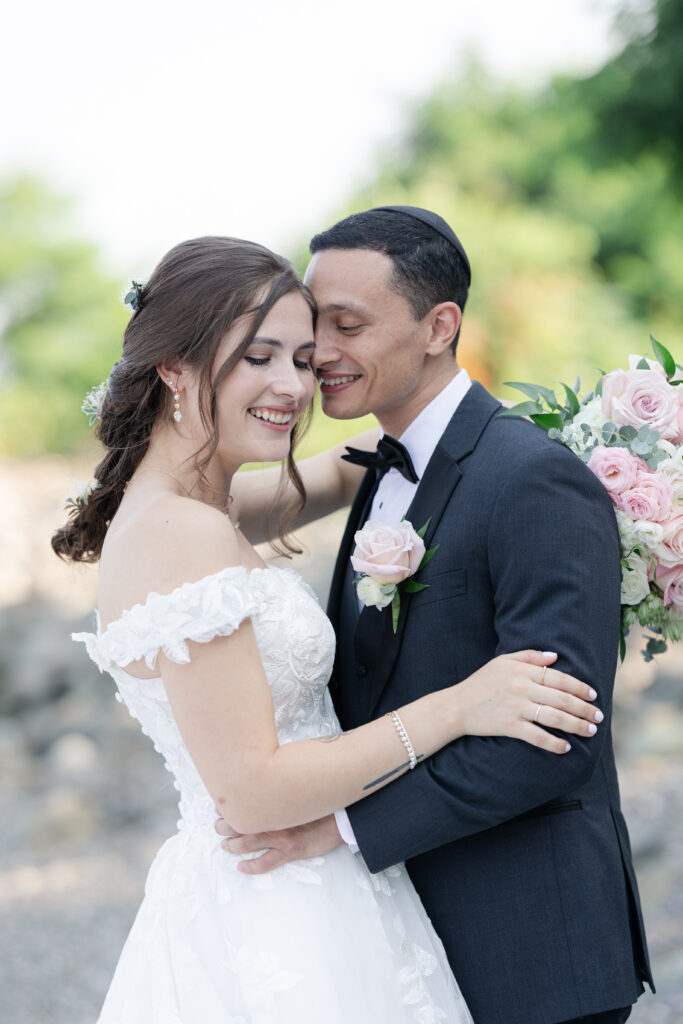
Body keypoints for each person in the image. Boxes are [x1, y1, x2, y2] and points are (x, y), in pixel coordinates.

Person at [53, 235, 603, 1024]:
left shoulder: (199, 507)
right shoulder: (184, 531)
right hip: (282, 907)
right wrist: (459, 707)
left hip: (306, 890)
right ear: (173, 366)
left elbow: (353, 467)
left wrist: (521, 437)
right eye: (258, 358)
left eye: (303, 360)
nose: (291, 386)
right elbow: (251, 790)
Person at [218, 208, 654, 1024]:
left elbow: (555, 740)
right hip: (405, 943)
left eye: (347, 325)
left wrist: (339, 828)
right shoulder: (376, 465)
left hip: (527, 947)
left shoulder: (531, 480)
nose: (321, 353)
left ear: (438, 326)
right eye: (315, 325)